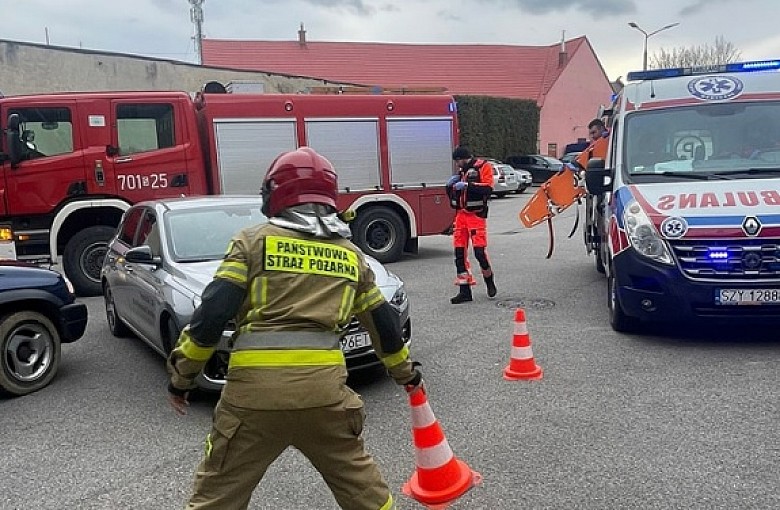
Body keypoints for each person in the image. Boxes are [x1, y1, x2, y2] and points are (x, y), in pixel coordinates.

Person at [166, 146, 424, 510]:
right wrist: (406, 374)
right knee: (367, 496)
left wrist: (182, 378)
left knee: (217, 498)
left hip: (252, 402)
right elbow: (384, 327)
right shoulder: (351, 255)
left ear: (274, 193)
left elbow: (210, 317)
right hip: (325, 398)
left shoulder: (252, 243)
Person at [446, 146, 496, 304]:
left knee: (480, 253)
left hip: (476, 216)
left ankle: (489, 281)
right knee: (459, 255)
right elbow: (454, 196)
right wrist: (449, 187)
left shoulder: (483, 167)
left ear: (464, 158)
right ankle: (464, 291)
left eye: (458, 161)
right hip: (461, 216)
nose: (457, 164)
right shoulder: (462, 172)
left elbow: (488, 189)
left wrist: (468, 185)